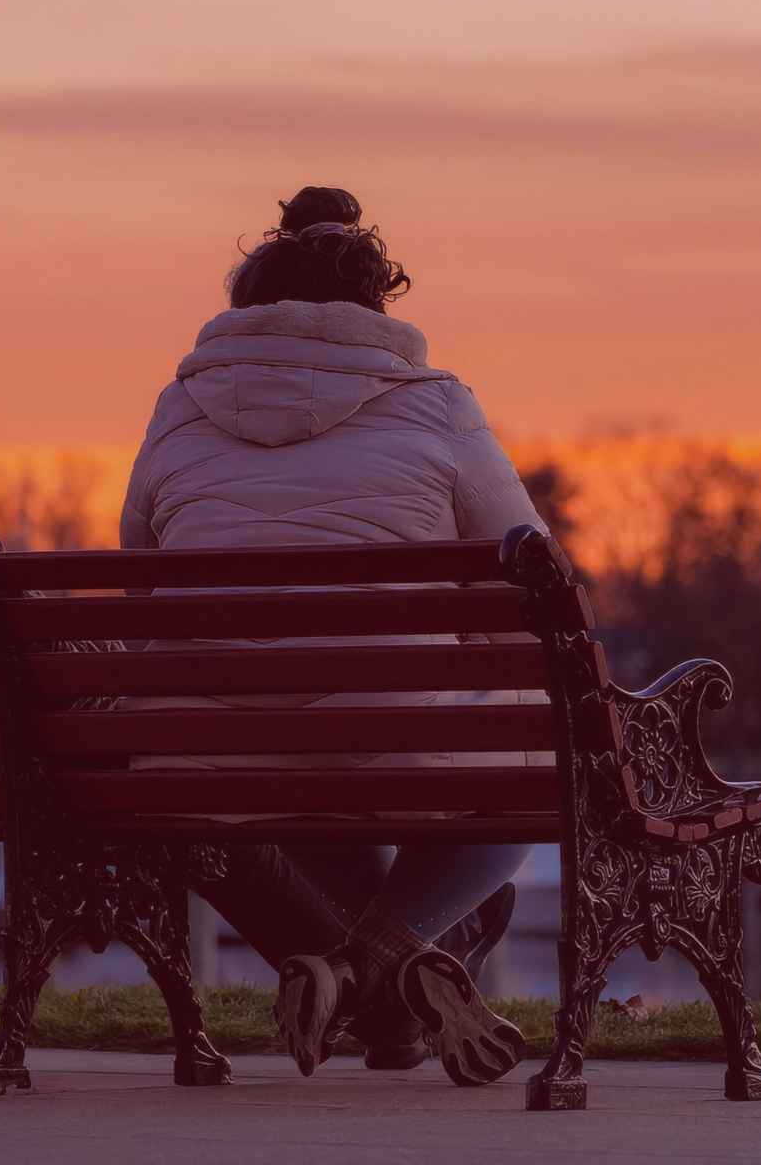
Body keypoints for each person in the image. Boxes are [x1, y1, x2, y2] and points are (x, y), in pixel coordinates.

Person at [119, 186, 546, 1087]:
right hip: (378, 735)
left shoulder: (176, 407)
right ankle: (377, 965)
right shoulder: (437, 402)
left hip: (204, 752)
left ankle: (380, 1008)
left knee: (287, 739)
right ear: (372, 306)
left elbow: (139, 571)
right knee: (535, 764)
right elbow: (535, 577)